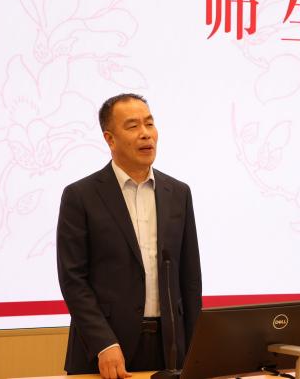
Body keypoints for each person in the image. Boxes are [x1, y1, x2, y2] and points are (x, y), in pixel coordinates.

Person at [56, 93, 202, 378]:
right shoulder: (80, 196)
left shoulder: (178, 193)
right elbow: (73, 280)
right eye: (133, 126)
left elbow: (190, 278)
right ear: (110, 139)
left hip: (169, 348)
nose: (145, 134)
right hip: (106, 349)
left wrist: (196, 347)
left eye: (149, 123)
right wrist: (103, 343)